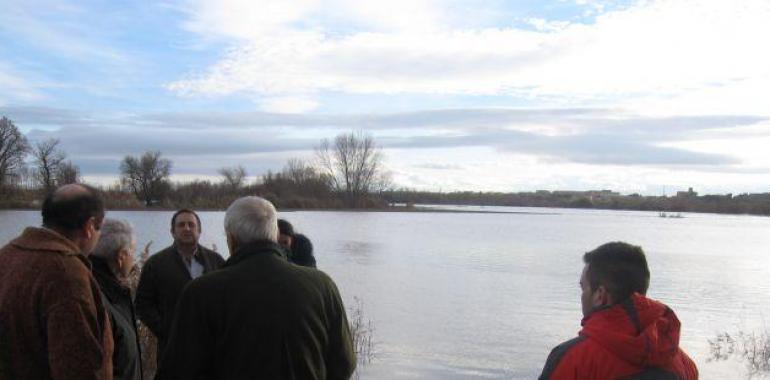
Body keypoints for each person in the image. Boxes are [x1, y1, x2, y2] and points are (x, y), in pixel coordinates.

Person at [156, 196, 356, 379]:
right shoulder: (322, 285)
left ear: (231, 239)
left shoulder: (201, 293)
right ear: (275, 234)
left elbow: (177, 371)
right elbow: (344, 364)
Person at [0, 184, 113, 379]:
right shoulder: (66, 274)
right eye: (99, 228)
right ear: (89, 227)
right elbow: (77, 366)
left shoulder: (7, 255)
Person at [539, 242, 698, 380]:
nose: (582, 295)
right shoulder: (684, 364)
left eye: (583, 287)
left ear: (600, 295)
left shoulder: (573, 360)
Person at [134, 208, 225, 363]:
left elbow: (227, 299)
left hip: (211, 348)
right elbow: (142, 304)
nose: (187, 228)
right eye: (181, 225)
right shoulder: (155, 264)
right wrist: (166, 330)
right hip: (172, 351)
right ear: (172, 231)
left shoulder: (216, 261)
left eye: (191, 225)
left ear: (199, 230)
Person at [90, 219, 143, 380]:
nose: (133, 260)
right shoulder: (101, 297)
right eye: (132, 252)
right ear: (121, 256)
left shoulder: (106, 289)